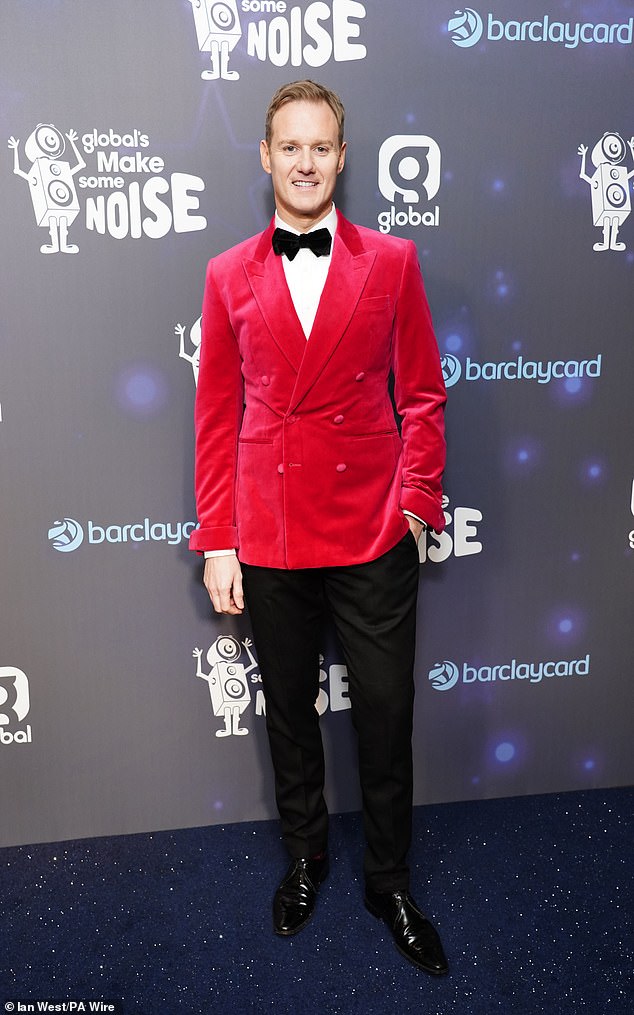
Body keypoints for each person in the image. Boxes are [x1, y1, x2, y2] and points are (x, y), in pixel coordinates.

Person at [190, 80, 448, 975]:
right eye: (288, 146)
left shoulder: (394, 263)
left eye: (321, 147)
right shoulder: (228, 274)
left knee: (384, 713)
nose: (305, 162)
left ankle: (390, 879)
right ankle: (306, 856)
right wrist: (218, 539)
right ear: (265, 158)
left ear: (343, 158)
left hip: (373, 531)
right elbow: (215, 416)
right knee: (291, 719)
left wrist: (416, 503)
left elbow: (421, 395)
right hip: (270, 536)